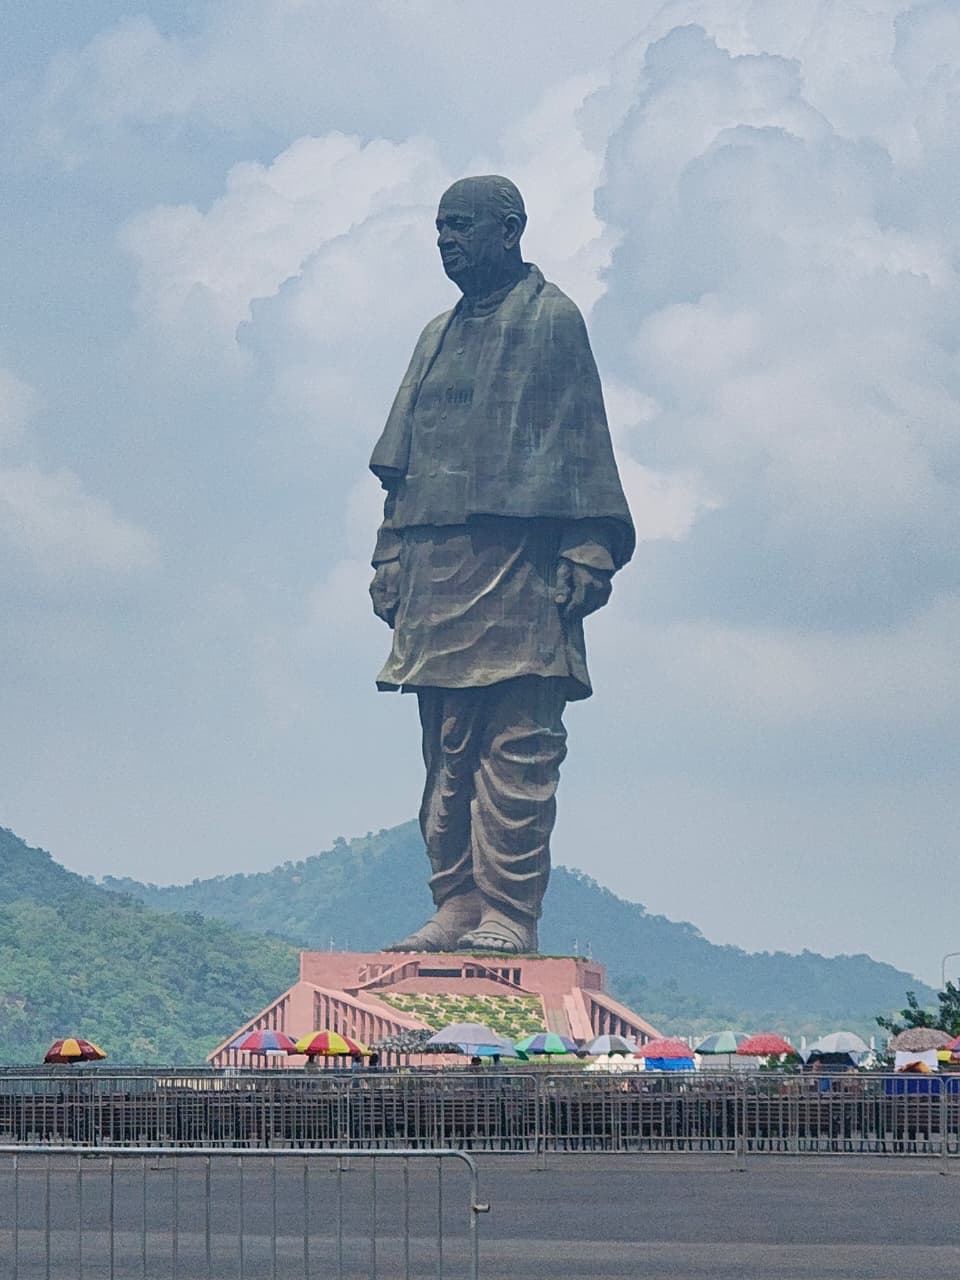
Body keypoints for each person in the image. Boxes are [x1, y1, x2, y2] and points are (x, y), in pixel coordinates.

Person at [369, 175, 634, 955]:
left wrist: (588, 545)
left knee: (518, 746)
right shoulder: (435, 335)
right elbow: (402, 466)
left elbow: (582, 440)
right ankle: (455, 901)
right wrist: (390, 554)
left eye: (461, 226)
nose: (446, 241)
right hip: (436, 565)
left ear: (509, 230)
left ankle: (509, 912)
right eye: (439, 228)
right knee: (446, 753)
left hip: (521, 566)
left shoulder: (552, 320)